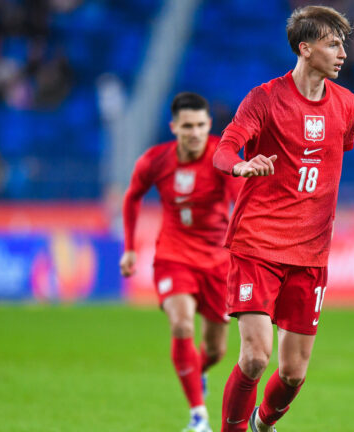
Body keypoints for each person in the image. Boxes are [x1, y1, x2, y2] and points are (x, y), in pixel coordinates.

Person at [212, 6, 354, 432]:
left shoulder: (347, 105)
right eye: (333, 44)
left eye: (343, 44)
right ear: (305, 48)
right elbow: (226, 147)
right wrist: (239, 166)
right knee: (255, 356)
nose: (342, 53)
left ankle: (262, 422)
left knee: (293, 372)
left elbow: (329, 161)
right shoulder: (264, 99)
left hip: (311, 253)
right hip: (257, 244)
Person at [120, 92, 243, 432]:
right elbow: (132, 197)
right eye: (187, 126)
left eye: (201, 125)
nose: (195, 132)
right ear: (174, 127)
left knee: (217, 350)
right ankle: (198, 416)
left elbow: (239, 199)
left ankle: (196, 371)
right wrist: (130, 248)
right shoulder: (155, 160)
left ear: (209, 126)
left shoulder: (223, 157)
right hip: (174, 256)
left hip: (219, 261)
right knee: (181, 325)